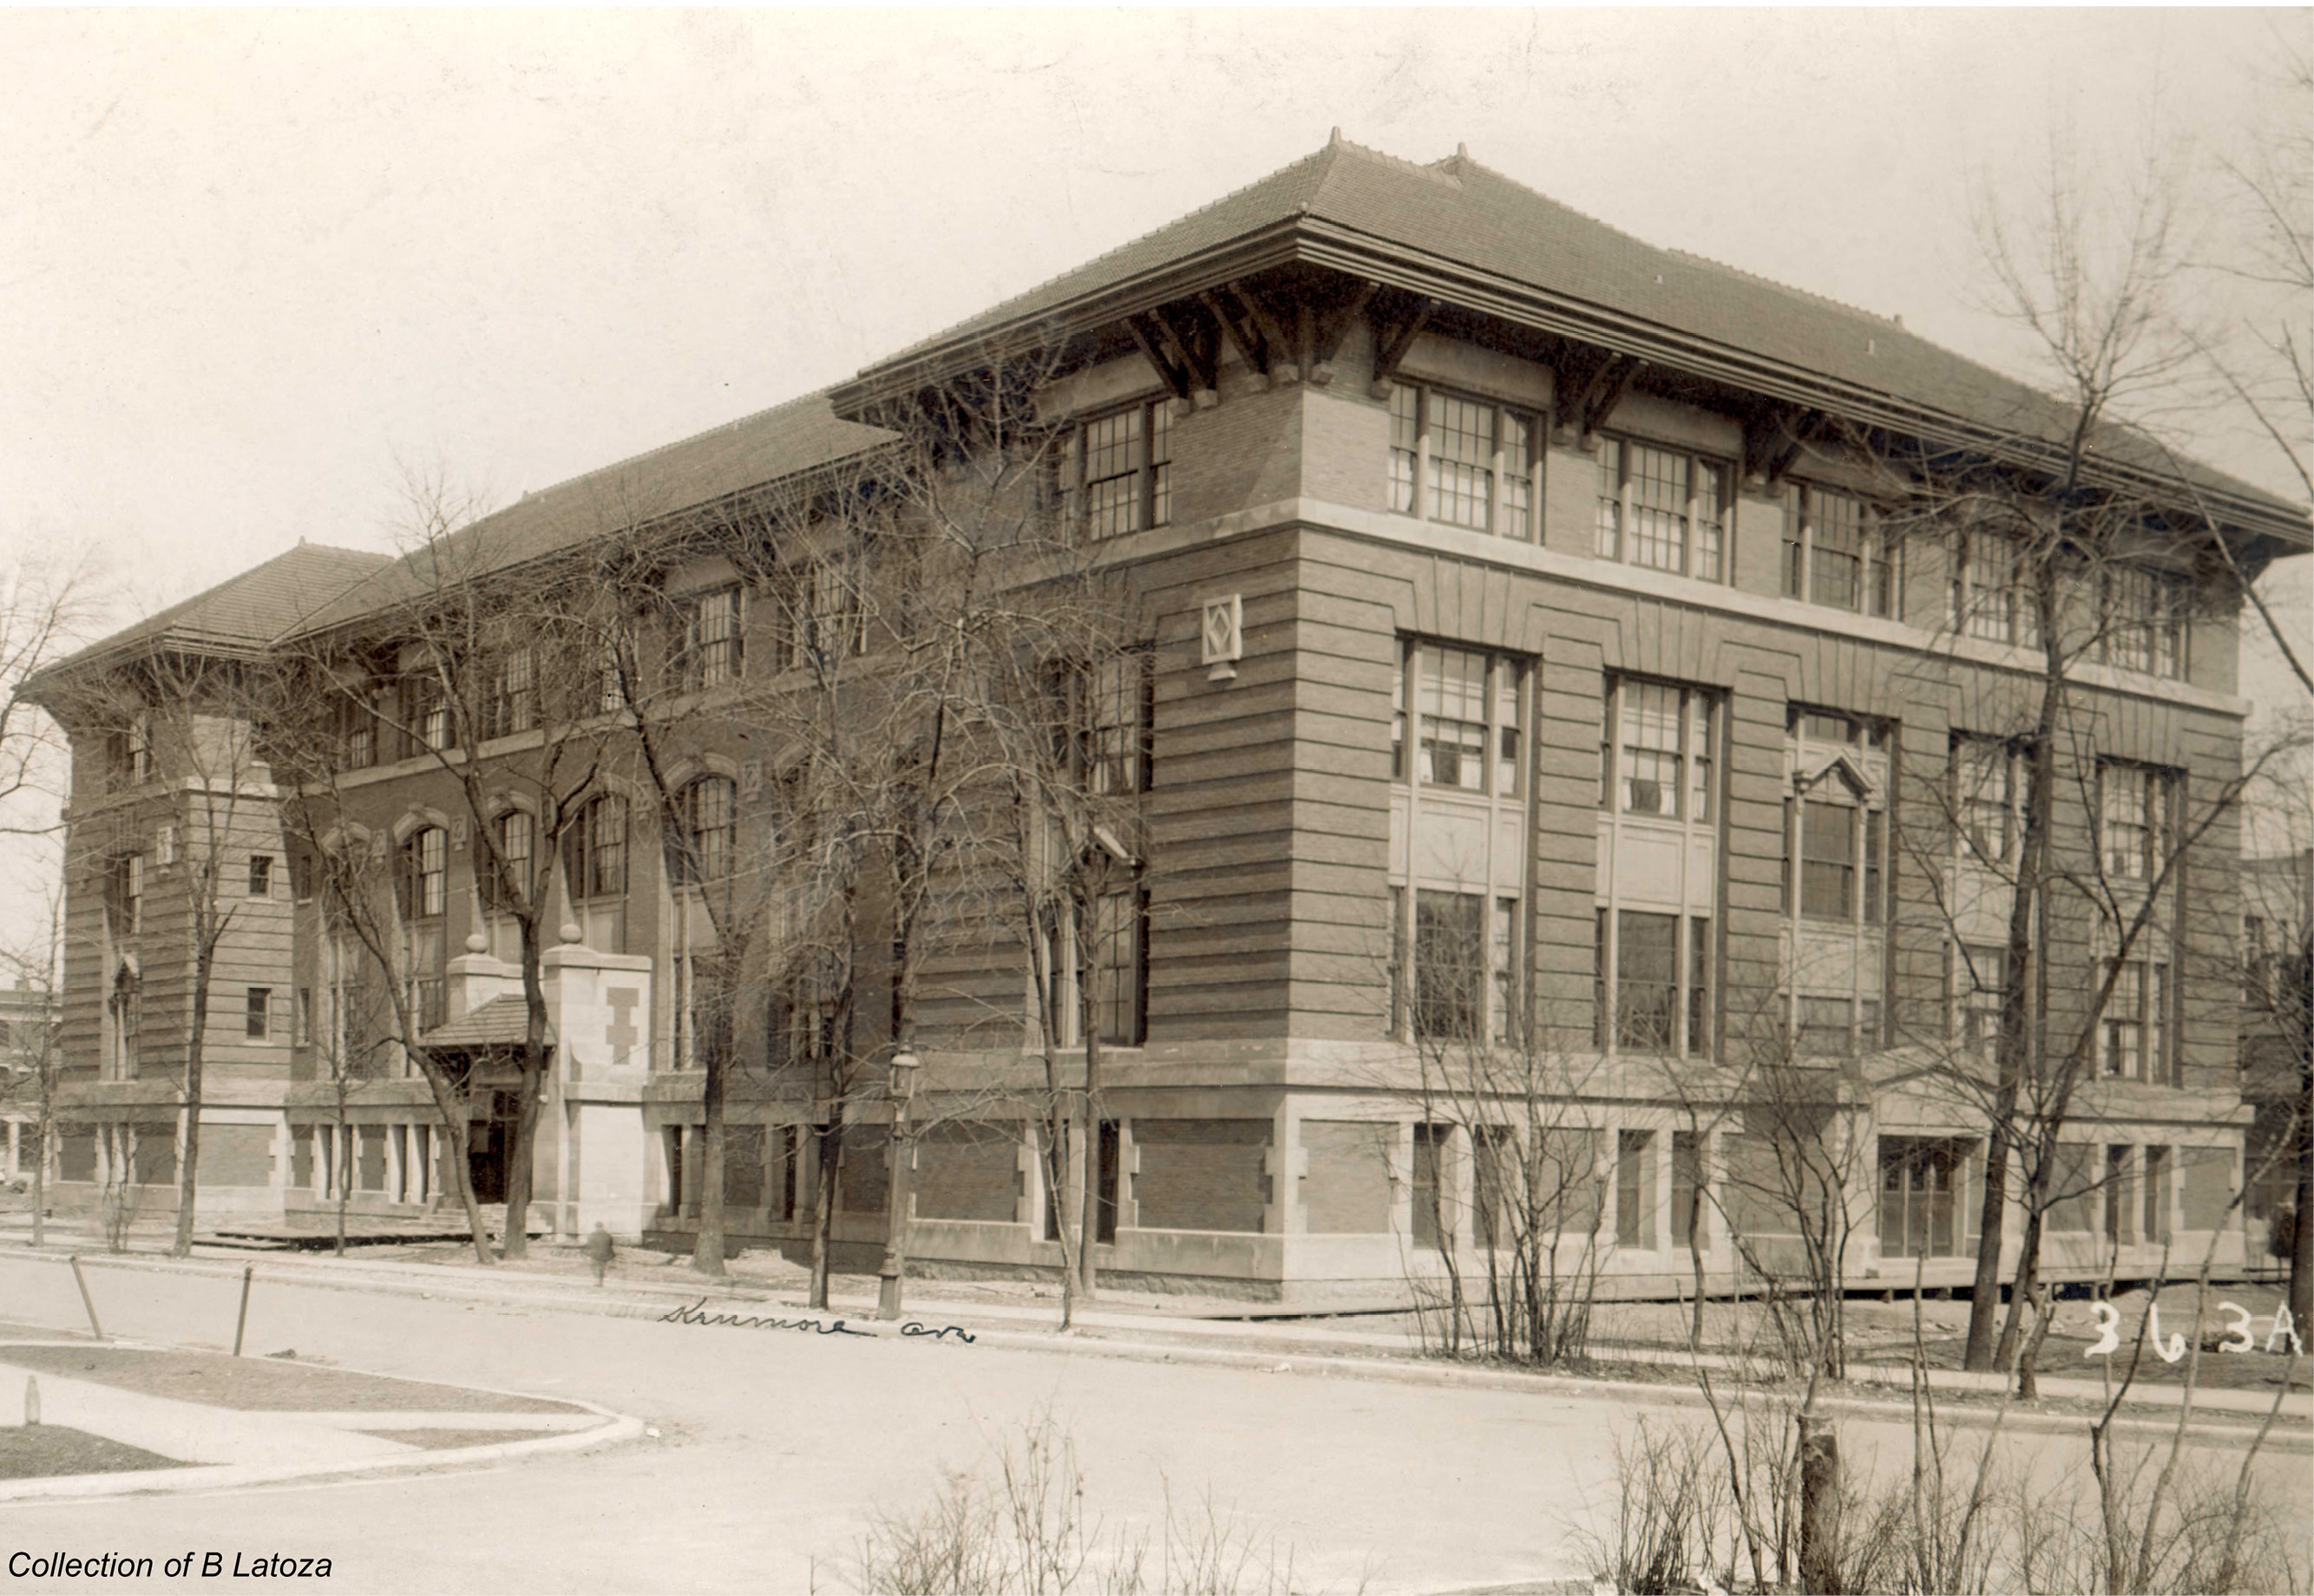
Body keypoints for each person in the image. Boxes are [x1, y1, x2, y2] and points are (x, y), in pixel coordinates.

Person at [582, 1221, 616, 1286]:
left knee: (593, 1266)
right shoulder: (608, 1235)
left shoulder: (591, 1235)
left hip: (595, 1254)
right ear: (602, 1227)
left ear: (595, 1227)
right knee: (602, 1268)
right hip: (605, 1255)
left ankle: (596, 1281)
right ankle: (601, 1282)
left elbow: (589, 1245)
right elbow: (611, 1244)